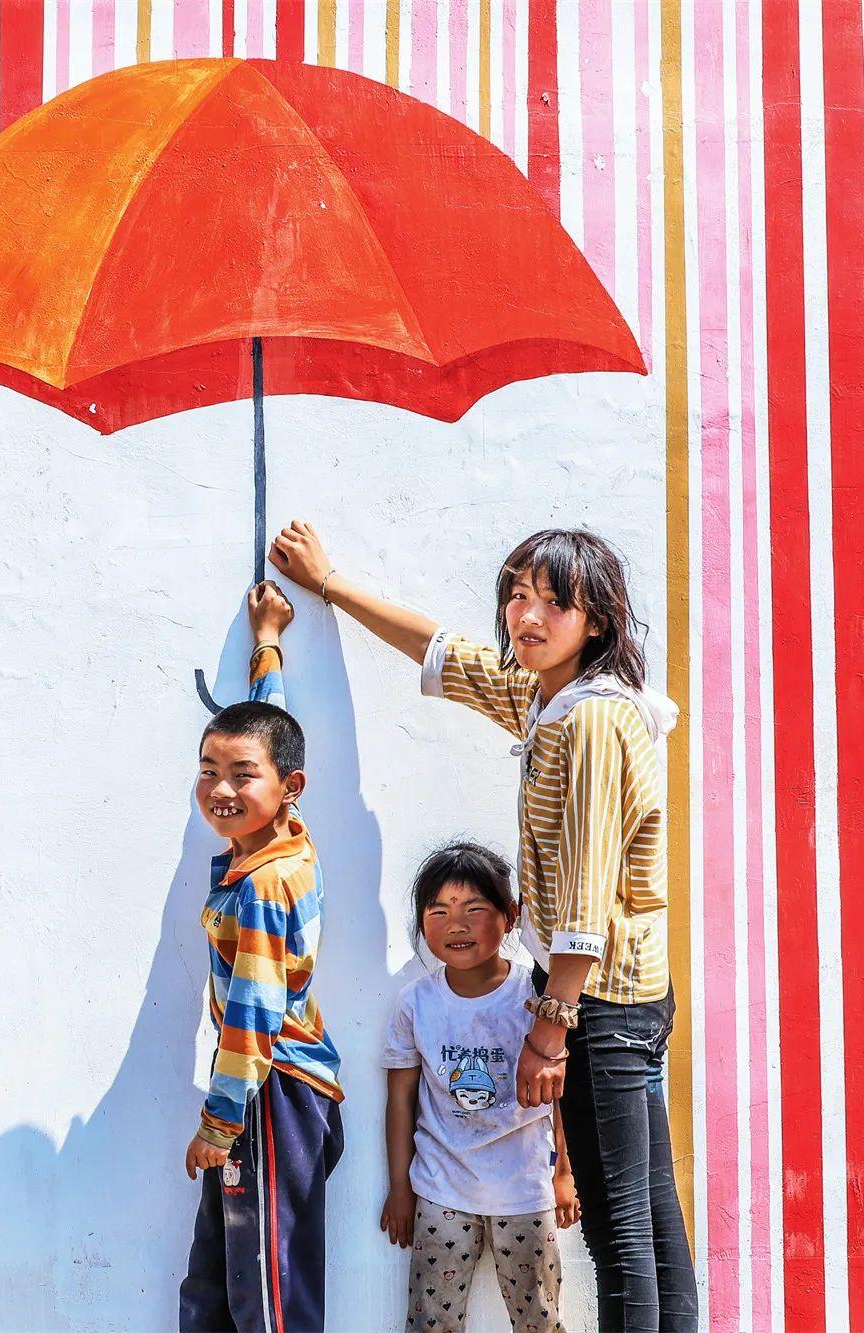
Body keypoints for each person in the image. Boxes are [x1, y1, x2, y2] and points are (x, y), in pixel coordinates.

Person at [270, 522, 698, 1333]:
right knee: (650, 1221)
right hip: (627, 994)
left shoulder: (590, 721)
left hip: (599, 1002)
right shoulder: (548, 699)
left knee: (620, 1234)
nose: (527, 616)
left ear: (596, 620)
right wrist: (330, 584)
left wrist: (552, 1027)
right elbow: (443, 651)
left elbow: (586, 888)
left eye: (554, 602)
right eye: (517, 595)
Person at [179, 581, 345, 1333]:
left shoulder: (264, 885)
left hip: (270, 1092)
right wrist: (268, 643)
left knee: (268, 1293)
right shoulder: (278, 836)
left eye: (240, 775)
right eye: (207, 769)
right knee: (219, 1280)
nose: (221, 787)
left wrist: (219, 1124)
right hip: (260, 1092)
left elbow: (252, 1014)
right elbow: (269, 730)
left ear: (287, 788)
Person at [380, 841, 579, 1333]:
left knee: (540, 1320)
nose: (456, 926)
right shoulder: (416, 1003)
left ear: (510, 916)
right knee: (431, 1323)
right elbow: (401, 1100)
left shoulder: (537, 998)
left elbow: (563, 1095)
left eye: (473, 910)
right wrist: (400, 1188)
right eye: (439, 912)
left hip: (525, 1190)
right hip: (441, 1189)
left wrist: (565, 1174)